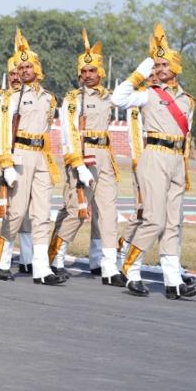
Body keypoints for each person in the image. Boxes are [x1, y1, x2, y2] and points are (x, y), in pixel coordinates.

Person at [112, 24, 196, 299]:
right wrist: (142, 70)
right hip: (154, 156)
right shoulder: (149, 93)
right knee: (154, 220)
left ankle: (173, 282)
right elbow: (118, 98)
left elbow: (186, 136)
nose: (160, 69)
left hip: (177, 160)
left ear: (176, 67)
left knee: (174, 222)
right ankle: (131, 270)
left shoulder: (187, 101)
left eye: (164, 64)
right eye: (157, 65)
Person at [51, 31, 124, 285]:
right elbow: (68, 132)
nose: (87, 75)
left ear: (100, 72)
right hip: (84, 155)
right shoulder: (73, 98)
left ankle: (107, 265)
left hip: (105, 155)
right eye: (83, 71)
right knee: (77, 210)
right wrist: (77, 162)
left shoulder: (108, 96)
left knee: (108, 212)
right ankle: (56, 257)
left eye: (92, 70)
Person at [0, 30, 66, 285]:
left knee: (42, 214)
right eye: (20, 68)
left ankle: (41, 269)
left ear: (37, 68)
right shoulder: (12, 98)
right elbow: (3, 130)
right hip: (21, 155)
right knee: (16, 212)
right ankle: (2, 260)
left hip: (42, 156)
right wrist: (7, 163)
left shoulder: (49, 98)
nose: (24, 71)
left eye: (28, 66)